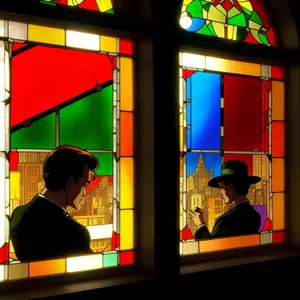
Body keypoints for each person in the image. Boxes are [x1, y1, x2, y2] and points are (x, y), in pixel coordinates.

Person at [10, 145, 99, 262]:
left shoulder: (18, 214)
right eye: (84, 185)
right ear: (70, 184)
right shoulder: (74, 233)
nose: (85, 193)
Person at [191, 160, 261, 240]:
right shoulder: (255, 215)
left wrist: (200, 225)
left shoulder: (226, 220)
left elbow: (211, 247)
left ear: (231, 187)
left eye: (222, 187)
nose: (220, 192)